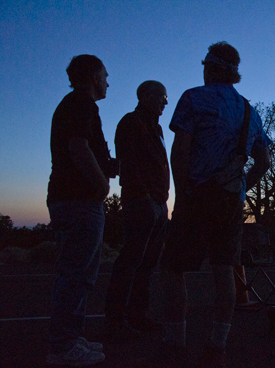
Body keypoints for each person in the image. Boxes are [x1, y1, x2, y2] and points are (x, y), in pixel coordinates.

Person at [159, 41, 271, 368]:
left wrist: (182, 194)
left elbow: (180, 151)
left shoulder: (194, 98)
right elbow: (263, 163)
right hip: (230, 203)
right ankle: (216, 349)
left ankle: (174, 347)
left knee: (172, 269)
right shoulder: (250, 111)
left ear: (210, 67)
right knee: (225, 272)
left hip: (196, 197)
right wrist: (239, 190)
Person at [46, 54, 116, 366]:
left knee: (78, 272)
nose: (107, 81)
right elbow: (78, 147)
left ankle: (70, 338)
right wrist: (101, 185)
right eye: (104, 75)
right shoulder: (81, 104)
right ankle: (63, 347)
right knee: (77, 274)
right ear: (91, 76)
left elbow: (87, 149)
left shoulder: (74, 105)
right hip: (79, 201)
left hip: (71, 199)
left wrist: (110, 166)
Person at [104, 81, 170, 339]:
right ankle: (117, 318)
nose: (166, 102)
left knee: (147, 263)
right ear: (145, 96)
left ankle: (137, 315)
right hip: (142, 202)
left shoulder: (156, 127)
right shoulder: (131, 122)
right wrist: (144, 195)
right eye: (162, 97)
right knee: (131, 261)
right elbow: (128, 162)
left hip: (158, 203)